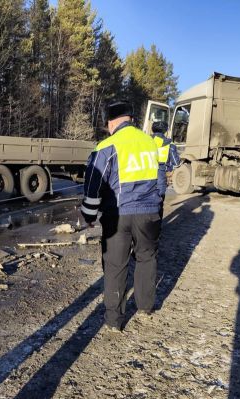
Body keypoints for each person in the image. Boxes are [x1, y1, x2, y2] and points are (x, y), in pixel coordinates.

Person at [81, 100, 162, 332]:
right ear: (131, 119)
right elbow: (160, 179)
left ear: (112, 122)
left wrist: (89, 215)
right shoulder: (150, 143)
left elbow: (93, 185)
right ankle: (146, 306)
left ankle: (114, 320)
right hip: (149, 212)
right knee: (147, 257)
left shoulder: (107, 145)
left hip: (119, 214)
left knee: (116, 266)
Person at [151, 121, 180, 218]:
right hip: (161, 174)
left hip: (146, 173)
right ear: (165, 131)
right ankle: (157, 227)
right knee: (159, 202)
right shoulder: (170, 145)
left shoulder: (146, 141)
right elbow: (176, 163)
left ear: (152, 129)